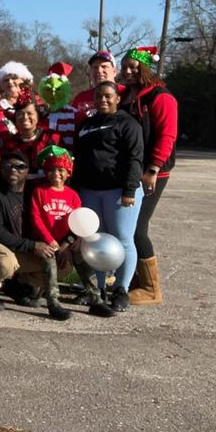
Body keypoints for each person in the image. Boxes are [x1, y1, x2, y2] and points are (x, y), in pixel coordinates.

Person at [71, 81, 144, 311]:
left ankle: (121, 289)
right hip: (90, 191)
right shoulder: (86, 125)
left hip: (119, 192)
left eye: (108, 96)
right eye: (98, 97)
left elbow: (135, 158)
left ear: (117, 99)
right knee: (95, 240)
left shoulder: (128, 124)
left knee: (122, 239)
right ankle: (98, 289)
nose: (102, 100)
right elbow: (80, 160)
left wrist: (129, 190)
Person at [0, 151, 66, 319]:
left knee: (62, 263)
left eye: (20, 166)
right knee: (5, 262)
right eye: (8, 166)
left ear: (28, 171)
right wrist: (33, 246)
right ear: (0, 169)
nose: (13, 170)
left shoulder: (33, 193)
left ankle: (17, 286)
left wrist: (63, 244)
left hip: (20, 248)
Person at [120, 46, 178, 306]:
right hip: (129, 171)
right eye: (125, 67)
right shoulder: (127, 96)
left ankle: (150, 287)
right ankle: (131, 279)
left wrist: (153, 169)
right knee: (124, 227)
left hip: (151, 172)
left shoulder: (161, 97)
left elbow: (167, 136)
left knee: (137, 228)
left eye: (133, 67)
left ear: (145, 69)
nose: (128, 72)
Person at [25, 145, 101, 319]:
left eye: (61, 170)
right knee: (48, 258)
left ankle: (95, 298)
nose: (56, 174)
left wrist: (65, 245)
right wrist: (51, 241)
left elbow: (78, 222)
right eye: (51, 170)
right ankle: (53, 301)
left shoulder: (73, 195)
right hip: (46, 240)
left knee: (82, 256)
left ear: (68, 173)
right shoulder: (40, 192)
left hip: (66, 242)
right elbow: (36, 219)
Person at [0, 91, 58, 178]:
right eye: (20, 114)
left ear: (38, 117)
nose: (25, 117)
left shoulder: (49, 139)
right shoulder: (9, 142)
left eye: (30, 113)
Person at [72, 51, 120, 119]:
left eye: (104, 66)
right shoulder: (81, 98)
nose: (99, 70)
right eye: (95, 67)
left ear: (115, 71)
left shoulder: (124, 92)